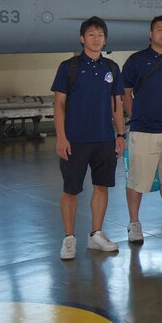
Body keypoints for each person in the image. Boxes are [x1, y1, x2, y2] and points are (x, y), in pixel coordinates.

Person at [51, 16, 125, 260]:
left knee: (101, 187)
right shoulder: (68, 67)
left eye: (101, 35)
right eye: (91, 35)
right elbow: (59, 104)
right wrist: (61, 137)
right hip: (75, 140)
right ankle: (69, 238)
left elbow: (117, 106)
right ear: (82, 38)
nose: (96, 39)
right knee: (71, 190)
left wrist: (120, 134)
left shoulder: (112, 68)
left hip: (104, 139)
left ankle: (96, 235)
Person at [121, 15, 162, 242]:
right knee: (137, 179)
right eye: (159, 30)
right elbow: (125, 92)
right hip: (143, 130)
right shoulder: (136, 60)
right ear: (150, 34)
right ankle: (134, 223)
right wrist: (134, 115)